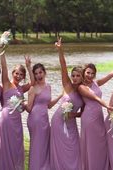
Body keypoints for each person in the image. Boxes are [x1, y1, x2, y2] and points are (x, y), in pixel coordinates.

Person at [78, 57, 113, 170]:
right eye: (88, 72)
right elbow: (95, 98)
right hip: (89, 118)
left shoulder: (96, 83)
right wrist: (107, 106)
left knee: (101, 143)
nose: (90, 75)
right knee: (91, 145)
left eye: (92, 73)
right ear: (84, 73)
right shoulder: (81, 87)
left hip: (98, 117)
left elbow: (112, 73)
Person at [0, 51, 34, 170]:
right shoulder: (7, 84)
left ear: (23, 77)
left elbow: (33, 82)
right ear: (13, 73)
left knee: (16, 146)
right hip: (6, 118)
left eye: (21, 75)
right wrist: (2, 53)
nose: (18, 76)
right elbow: (4, 67)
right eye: (16, 73)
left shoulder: (21, 88)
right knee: (5, 146)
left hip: (16, 120)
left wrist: (28, 67)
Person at [50, 38, 84, 170]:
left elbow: (83, 113)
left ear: (82, 77)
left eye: (78, 76)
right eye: (73, 75)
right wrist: (60, 50)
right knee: (61, 151)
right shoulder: (67, 85)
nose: (75, 77)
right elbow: (63, 66)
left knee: (74, 149)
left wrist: (73, 114)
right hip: (58, 121)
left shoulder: (84, 92)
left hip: (71, 123)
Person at [25, 63, 62, 170]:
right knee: (37, 145)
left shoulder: (48, 86)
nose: (38, 75)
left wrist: (60, 96)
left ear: (44, 73)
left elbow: (49, 105)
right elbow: (29, 109)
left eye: (40, 72)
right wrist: (22, 103)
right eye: (36, 73)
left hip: (45, 119)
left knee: (44, 145)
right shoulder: (33, 88)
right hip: (35, 120)